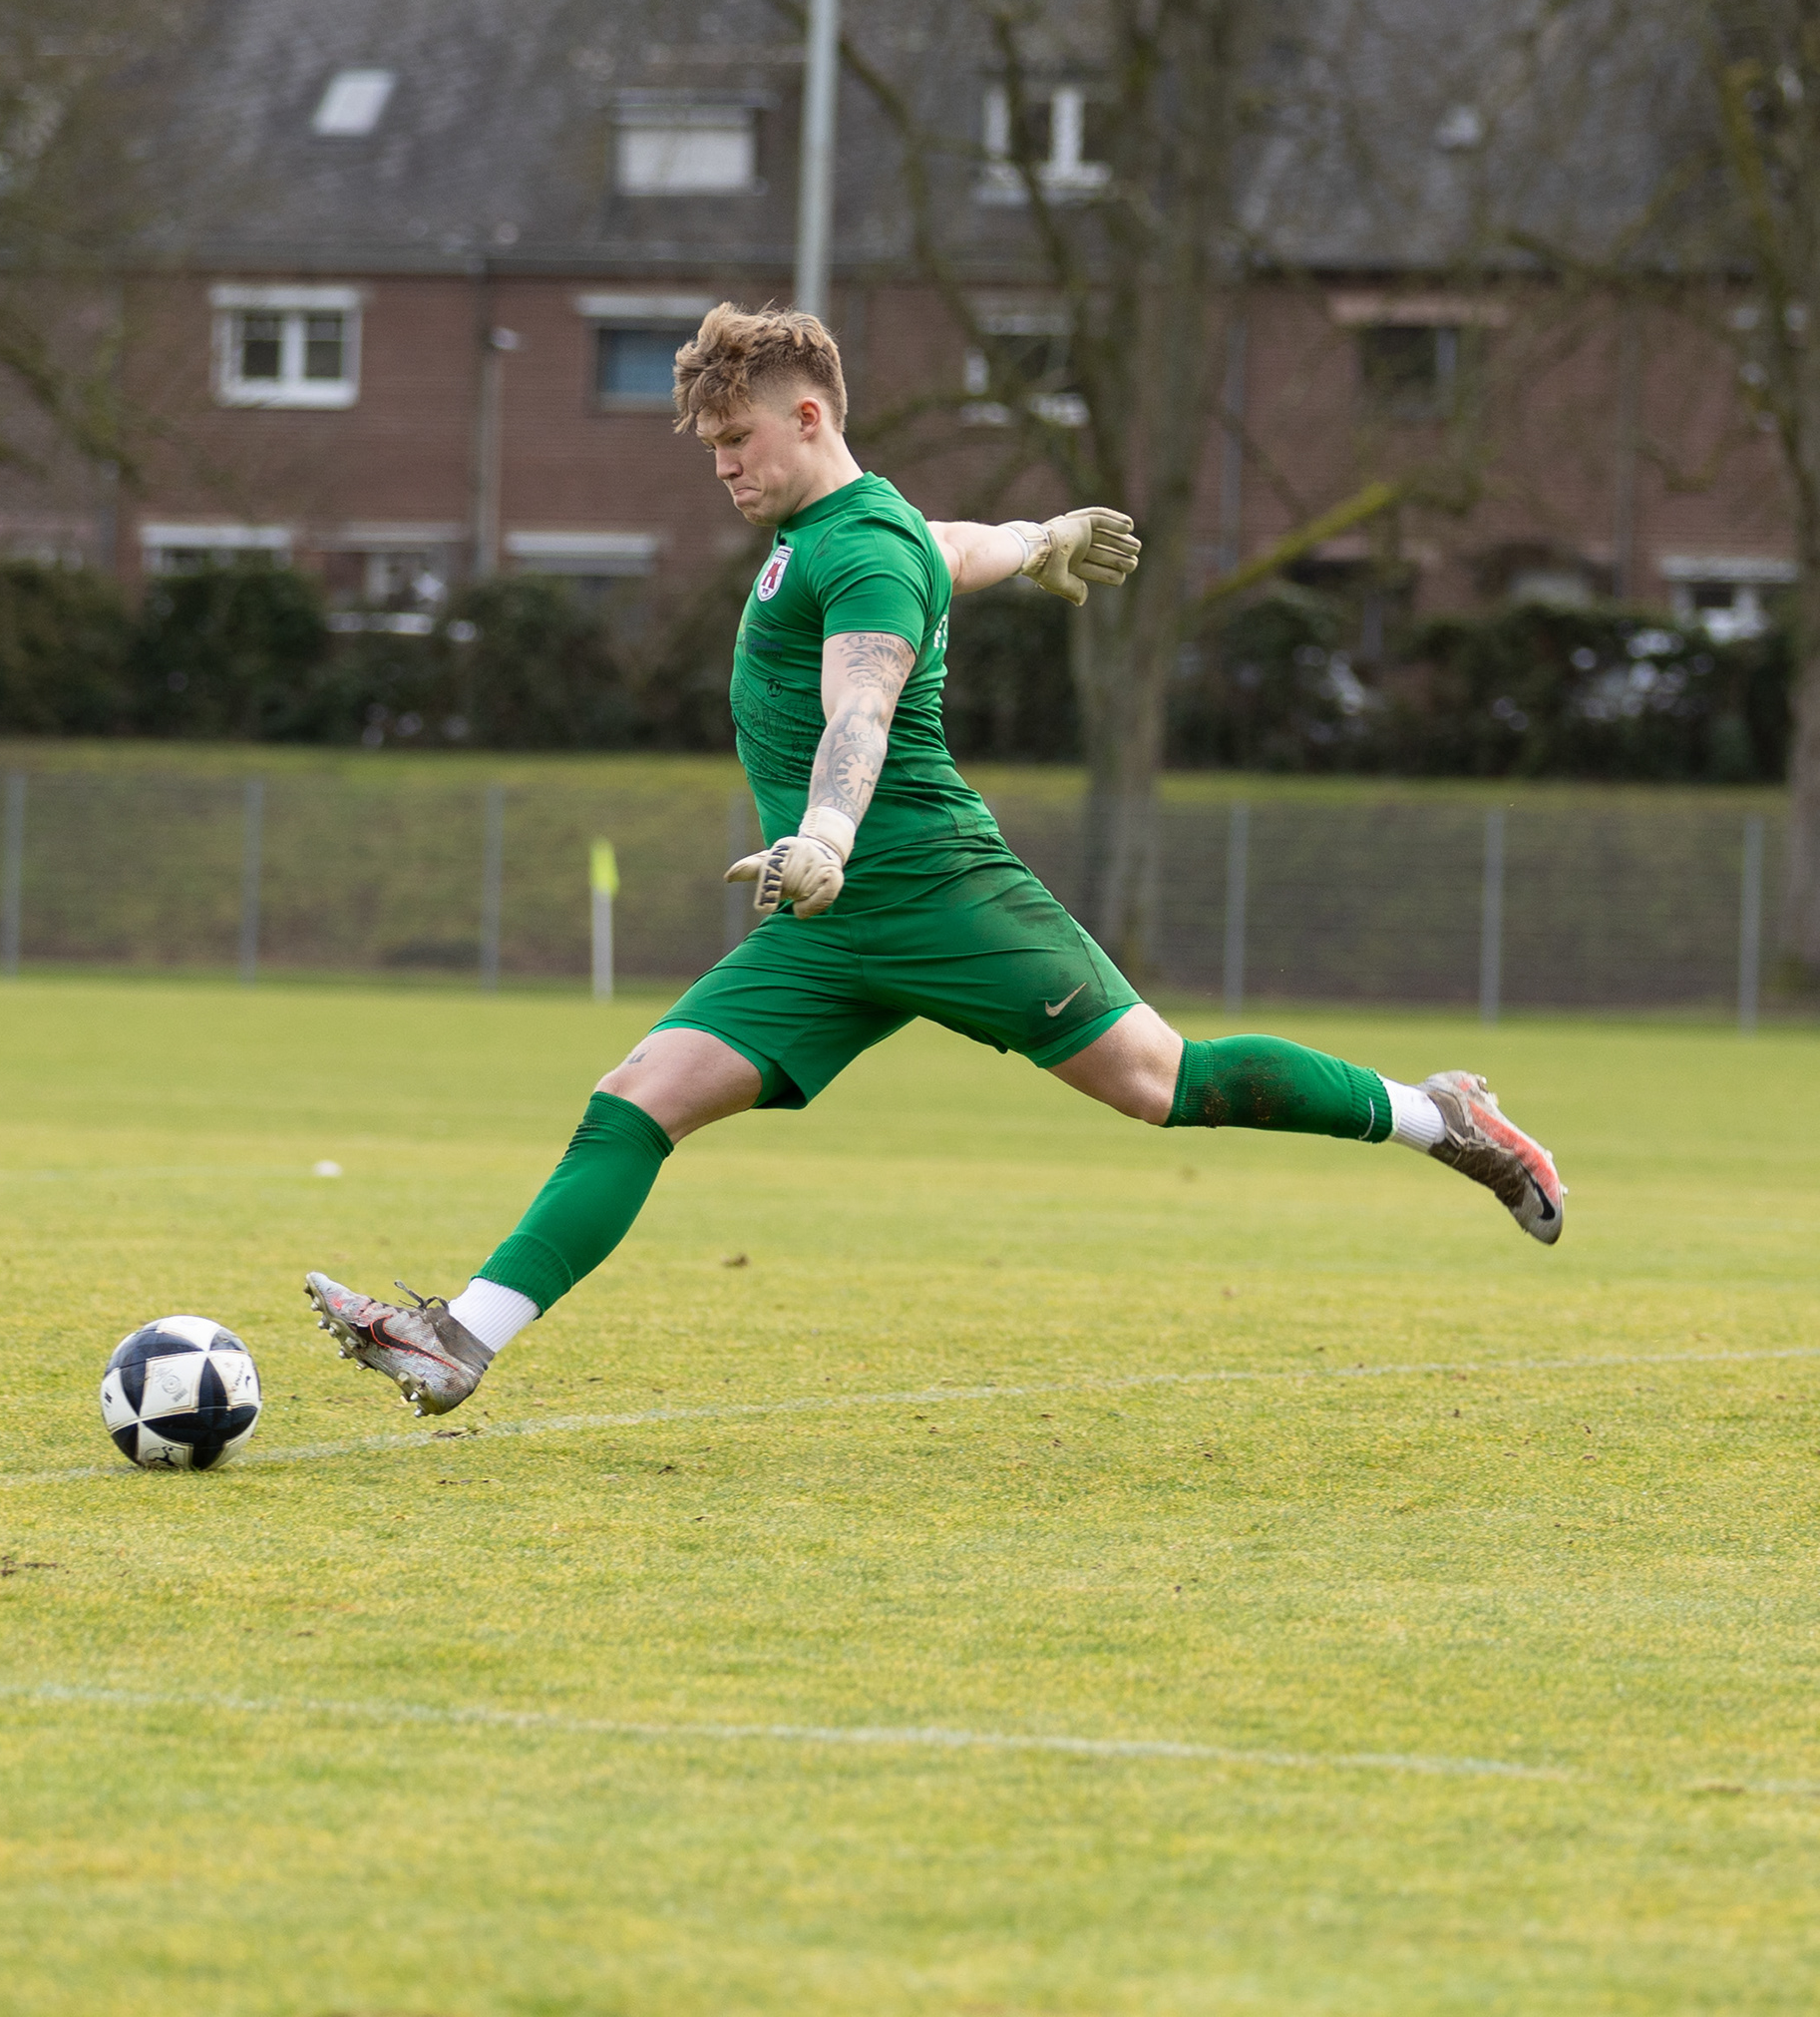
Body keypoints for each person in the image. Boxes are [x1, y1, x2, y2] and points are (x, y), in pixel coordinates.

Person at [306, 302, 1563, 1415]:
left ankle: (1432, 1117)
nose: (726, 470)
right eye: (713, 451)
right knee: (639, 1096)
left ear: (808, 416)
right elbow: (949, 544)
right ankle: (460, 1340)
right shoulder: (863, 527)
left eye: (739, 443)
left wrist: (829, 835)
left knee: (1160, 1083)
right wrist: (1037, 537)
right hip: (826, 923)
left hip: (932, 889)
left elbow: (866, 703)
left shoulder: (856, 551)